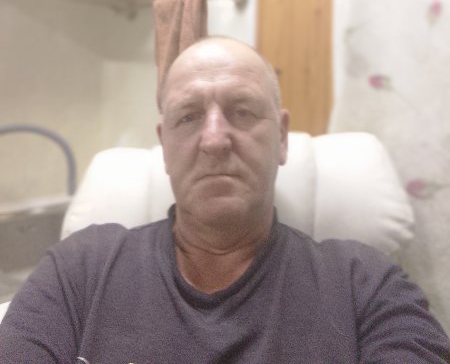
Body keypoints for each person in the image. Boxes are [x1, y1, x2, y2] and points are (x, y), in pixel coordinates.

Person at [0, 36, 449, 363]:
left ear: (282, 138)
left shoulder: (366, 286)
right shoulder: (78, 271)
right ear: (165, 144)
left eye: (243, 111)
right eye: (188, 117)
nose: (214, 140)